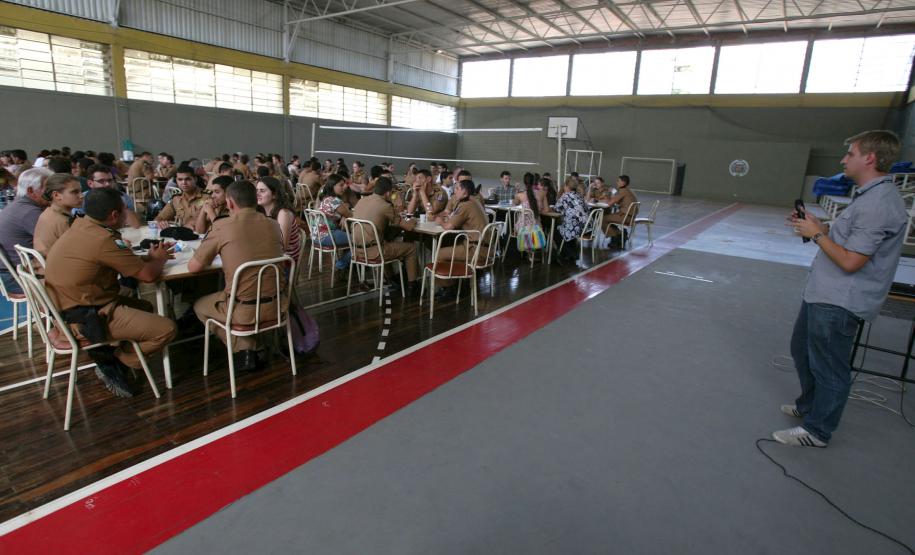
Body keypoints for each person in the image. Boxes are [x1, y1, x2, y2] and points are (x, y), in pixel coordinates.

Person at [775, 130, 908, 447]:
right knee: (802, 351)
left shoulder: (878, 204)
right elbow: (850, 242)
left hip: (840, 299)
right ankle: (809, 406)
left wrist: (817, 236)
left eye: (850, 153)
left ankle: (818, 430)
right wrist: (820, 227)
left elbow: (851, 262)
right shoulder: (867, 197)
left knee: (829, 366)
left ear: (869, 158)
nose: (843, 159)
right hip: (824, 292)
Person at [44, 187, 176, 397]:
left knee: (145, 306)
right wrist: (159, 258)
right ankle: (115, 357)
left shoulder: (81, 226)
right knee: (166, 329)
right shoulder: (103, 239)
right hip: (87, 315)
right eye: (124, 210)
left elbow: (123, 262)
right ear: (114, 215)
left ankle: (117, 355)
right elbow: (147, 276)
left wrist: (150, 258)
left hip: (66, 307)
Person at [189, 180, 286, 372]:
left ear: (230, 203)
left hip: (243, 310)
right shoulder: (274, 225)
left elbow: (194, 267)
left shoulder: (222, 226)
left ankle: (245, 348)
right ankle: (253, 346)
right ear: (255, 201)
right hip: (278, 304)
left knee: (199, 305)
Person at [352, 176, 419, 295]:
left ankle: (392, 279)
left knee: (386, 241)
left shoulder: (362, 200)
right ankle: (412, 286)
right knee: (412, 248)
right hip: (374, 252)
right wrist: (414, 220)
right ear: (388, 193)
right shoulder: (385, 206)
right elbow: (408, 227)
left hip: (356, 251)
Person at [432, 180, 489, 297]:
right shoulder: (474, 201)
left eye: (457, 189)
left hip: (476, 249)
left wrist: (440, 221)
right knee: (450, 246)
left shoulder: (465, 205)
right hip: (484, 246)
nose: (455, 191)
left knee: (439, 253)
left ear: (465, 191)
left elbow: (448, 227)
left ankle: (448, 289)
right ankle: (455, 285)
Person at [0, 167, 51, 292]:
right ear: (31, 191)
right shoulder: (30, 213)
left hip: (10, 274)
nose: (55, 192)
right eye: (49, 188)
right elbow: (56, 245)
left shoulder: (18, 206)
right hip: (19, 278)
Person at [34, 173, 82, 257]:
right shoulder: (61, 221)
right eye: (75, 192)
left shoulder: (48, 213)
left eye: (80, 191)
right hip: (56, 267)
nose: (81, 196)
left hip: (45, 265)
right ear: (56, 195)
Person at [256, 176, 301, 263]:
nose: (257, 194)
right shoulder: (262, 212)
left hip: (285, 262)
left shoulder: (283, 213)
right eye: (257, 190)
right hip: (272, 258)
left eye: (262, 191)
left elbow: (282, 247)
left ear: (274, 195)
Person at [316, 174, 353, 273]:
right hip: (326, 236)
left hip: (316, 235)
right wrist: (345, 215)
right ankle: (340, 266)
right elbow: (352, 216)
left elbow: (345, 214)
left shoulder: (326, 198)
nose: (344, 187)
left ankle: (346, 267)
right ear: (333, 186)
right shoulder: (335, 201)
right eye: (341, 185)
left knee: (351, 240)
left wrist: (344, 216)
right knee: (360, 241)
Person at [553, 175, 589, 263]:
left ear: (566, 186)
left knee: (555, 231)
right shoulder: (579, 196)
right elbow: (586, 209)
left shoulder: (565, 196)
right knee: (567, 228)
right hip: (586, 226)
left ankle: (568, 253)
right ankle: (572, 253)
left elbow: (557, 209)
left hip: (575, 227)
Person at [601, 175, 638, 240]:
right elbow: (617, 201)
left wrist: (608, 196)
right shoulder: (628, 190)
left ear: (623, 183)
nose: (617, 182)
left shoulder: (623, 191)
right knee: (608, 218)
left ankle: (618, 236)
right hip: (629, 216)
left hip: (626, 217)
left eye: (618, 181)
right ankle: (620, 234)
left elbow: (610, 203)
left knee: (602, 219)